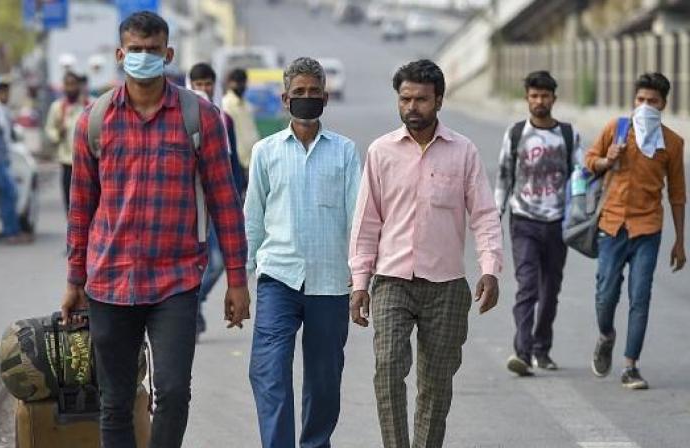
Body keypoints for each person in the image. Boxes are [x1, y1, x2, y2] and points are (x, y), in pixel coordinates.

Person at [60, 11, 250, 447]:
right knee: (115, 400)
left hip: (176, 281)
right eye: (135, 50)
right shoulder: (94, 120)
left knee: (174, 393)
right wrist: (75, 280)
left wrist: (237, 280)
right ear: (120, 54)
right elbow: (80, 208)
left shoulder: (199, 117)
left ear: (168, 54)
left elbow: (225, 201)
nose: (143, 58)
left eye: (152, 51)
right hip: (109, 280)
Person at [349, 59, 502, 448]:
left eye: (421, 99)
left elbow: (484, 214)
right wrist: (359, 283)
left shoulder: (463, 152)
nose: (412, 107)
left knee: (436, 383)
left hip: (447, 286)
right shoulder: (381, 152)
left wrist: (490, 268)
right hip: (392, 281)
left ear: (439, 101)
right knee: (387, 369)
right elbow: (367, 222)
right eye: (405, 99)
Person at [245, 57, 362, 448]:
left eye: (314, 93)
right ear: (285, 99)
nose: (307, 99)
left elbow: (358, 221)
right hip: (278, 278)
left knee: (324, 379)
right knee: (269, 373)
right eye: (299, 93)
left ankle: (314, 444)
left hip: (330, 282)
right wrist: (241, 279)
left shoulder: (345, 153)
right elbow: (253, 219)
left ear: (325, 99)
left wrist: (360, 277)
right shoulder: (266, 152)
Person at [585, 72, 686, 390]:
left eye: (652, 102)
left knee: (640, 297)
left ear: (664, 105)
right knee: (605, 295)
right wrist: (605, 160)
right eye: (640, 100)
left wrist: (680, 241)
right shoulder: (617, 129)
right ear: (634, 101)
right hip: (612, 225)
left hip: (648, 228)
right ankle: (606, 335)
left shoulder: (672, 142)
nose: (645, 106)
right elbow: (589, 161)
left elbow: (678, 194)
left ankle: (630, 366)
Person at [494, 71, 584, 376]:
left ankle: (542, 349)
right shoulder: (516, 133)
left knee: (550, 289)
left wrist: (581, 210)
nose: (539, 101)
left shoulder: (569, 135)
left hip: (558, 223)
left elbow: (580, 175)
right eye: (534, 95)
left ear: (553, 99)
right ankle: (523, 352)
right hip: (524, 221)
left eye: (545, 96)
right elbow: (504, 175)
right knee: (527, 286)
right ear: (527, 98)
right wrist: (497, 211)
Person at [187, 62, 247, 338]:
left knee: (219, 261)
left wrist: (238, 194)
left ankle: (194, 302)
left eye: (207, 83)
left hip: (218, 204)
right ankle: (187, 309)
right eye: (197, 84)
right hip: (191, 206)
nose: (203, 89)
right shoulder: (182, 119)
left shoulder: (224, 120)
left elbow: (231, 162)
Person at [0, 81, 31, 244]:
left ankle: (12, 230)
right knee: (9, 192)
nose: (6, 96)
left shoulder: (3, 111)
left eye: (7, 93)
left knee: (9, 194)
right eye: (3, 93)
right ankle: (10, 231)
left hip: (3, 157)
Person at [45, 71, 87, 213]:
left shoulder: (89, 105)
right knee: (69, 200)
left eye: (73, 84)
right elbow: (50, 129)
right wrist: (58, 134)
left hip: (86, 161)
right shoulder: (57, 108)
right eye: (68, 85)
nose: (71, 88)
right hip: (67, 161)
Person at [222, 67, 260, 175]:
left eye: (242, 82)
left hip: (251, 160)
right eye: (237, 82)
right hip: (236, 161)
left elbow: (251, 131)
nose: (240, 86)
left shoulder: (246, 105)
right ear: (229, 83)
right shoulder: (225, 105)